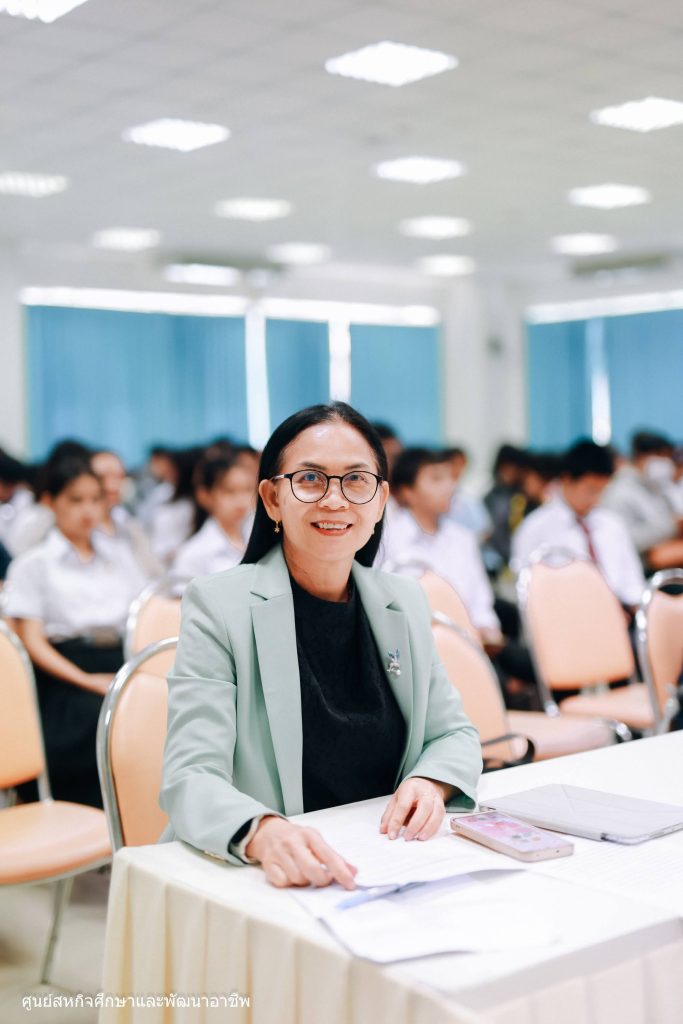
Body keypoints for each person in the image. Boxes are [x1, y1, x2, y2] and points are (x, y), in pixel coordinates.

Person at [160, 403, 481, 890]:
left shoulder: (404, 600)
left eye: (356, 480)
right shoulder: (218, 604)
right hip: (271, 870)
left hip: (388, 857)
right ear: (272, 498)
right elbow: (190, 775)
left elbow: (453, 733)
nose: (335, 500)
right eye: (310, 479)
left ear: (380, 500)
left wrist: (429, 781)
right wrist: (261, 832)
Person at [4, 457, 147, 806]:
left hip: (120, 659)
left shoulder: (118, 556)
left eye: (95, 500)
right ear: (50, 502)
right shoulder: (34, 564)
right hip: (64, 675)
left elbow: (143, 615)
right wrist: (87, 680)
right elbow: (32, 641)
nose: (88, 510)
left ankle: (150, 819)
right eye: (75, 500)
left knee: (164, 708)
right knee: (100, 717)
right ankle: (101, 822)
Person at [512, 440, 645, 611]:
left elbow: (633, 583)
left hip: (619, 615)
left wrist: (629, 609)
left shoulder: (613, 525)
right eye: (591, 490)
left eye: (601, 491)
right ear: (567, 479)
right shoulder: (535, 529)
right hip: (565, 617)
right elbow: (528, 594)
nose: (596, 499)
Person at [601, 431, 683, 571]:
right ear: (641, 456)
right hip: (642, 570)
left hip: (666, 560)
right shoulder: (619, 492)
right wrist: (673, 526)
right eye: (661, 456)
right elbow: (624, 539)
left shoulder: (654, 487)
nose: (666, 463)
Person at [172, 453, 255, 579]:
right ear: (204, 495)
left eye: (247, 489)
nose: (241, 500)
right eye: (230, 491)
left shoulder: (257, 536)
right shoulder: (194, 554)